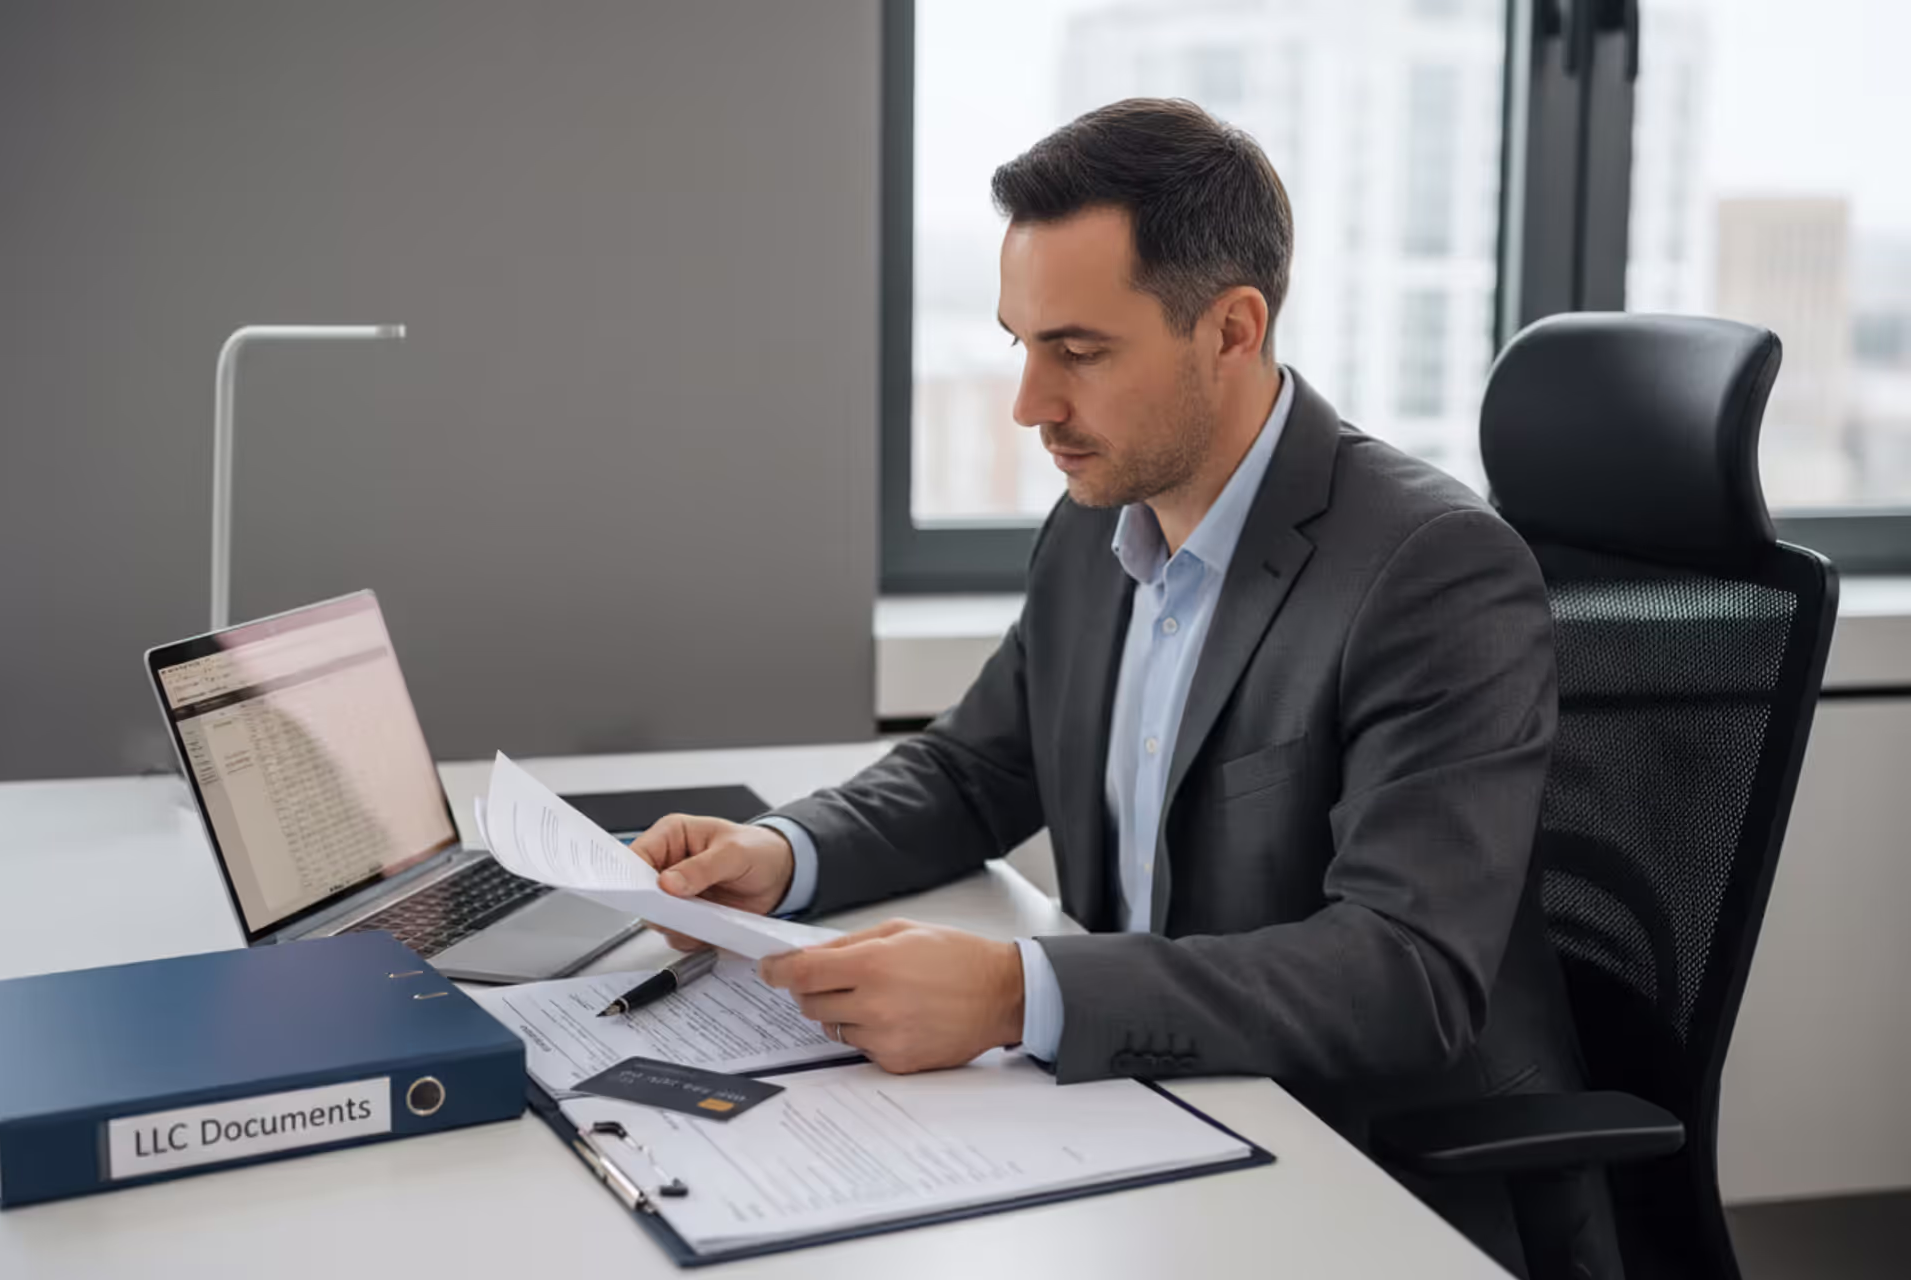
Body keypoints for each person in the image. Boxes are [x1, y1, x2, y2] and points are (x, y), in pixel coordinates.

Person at [629, 98, 1615, 1279]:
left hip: (1363, 1171)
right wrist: (782, 853)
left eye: (1080, 352)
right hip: (1151, 1111)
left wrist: (1014, 989)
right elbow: (978, 763)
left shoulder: (1433, 570)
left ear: (1232, 329)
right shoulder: (1102, 516)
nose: (1031, 405)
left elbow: (1402, 971)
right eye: (1021, 344)